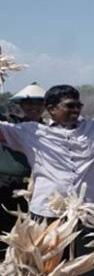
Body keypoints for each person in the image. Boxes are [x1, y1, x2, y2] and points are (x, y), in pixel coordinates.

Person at [0, 68, 94, 276]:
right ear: (51, 109)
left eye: (78, 105)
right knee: (47, 269)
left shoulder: (93, 128)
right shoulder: (31, 132)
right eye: (70, 106)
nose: (76, 110)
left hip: (88, 216)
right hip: (48, 215)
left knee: (91, 268)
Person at [0, 82, 46, 259]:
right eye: (28, 103)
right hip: (5, 185)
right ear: (21, 105)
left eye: (38, 103)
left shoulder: (50, 129)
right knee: (6, 234)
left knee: (31, 237)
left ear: (45, 106)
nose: (33, 107)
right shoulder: (10, 124)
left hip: (35, 188)